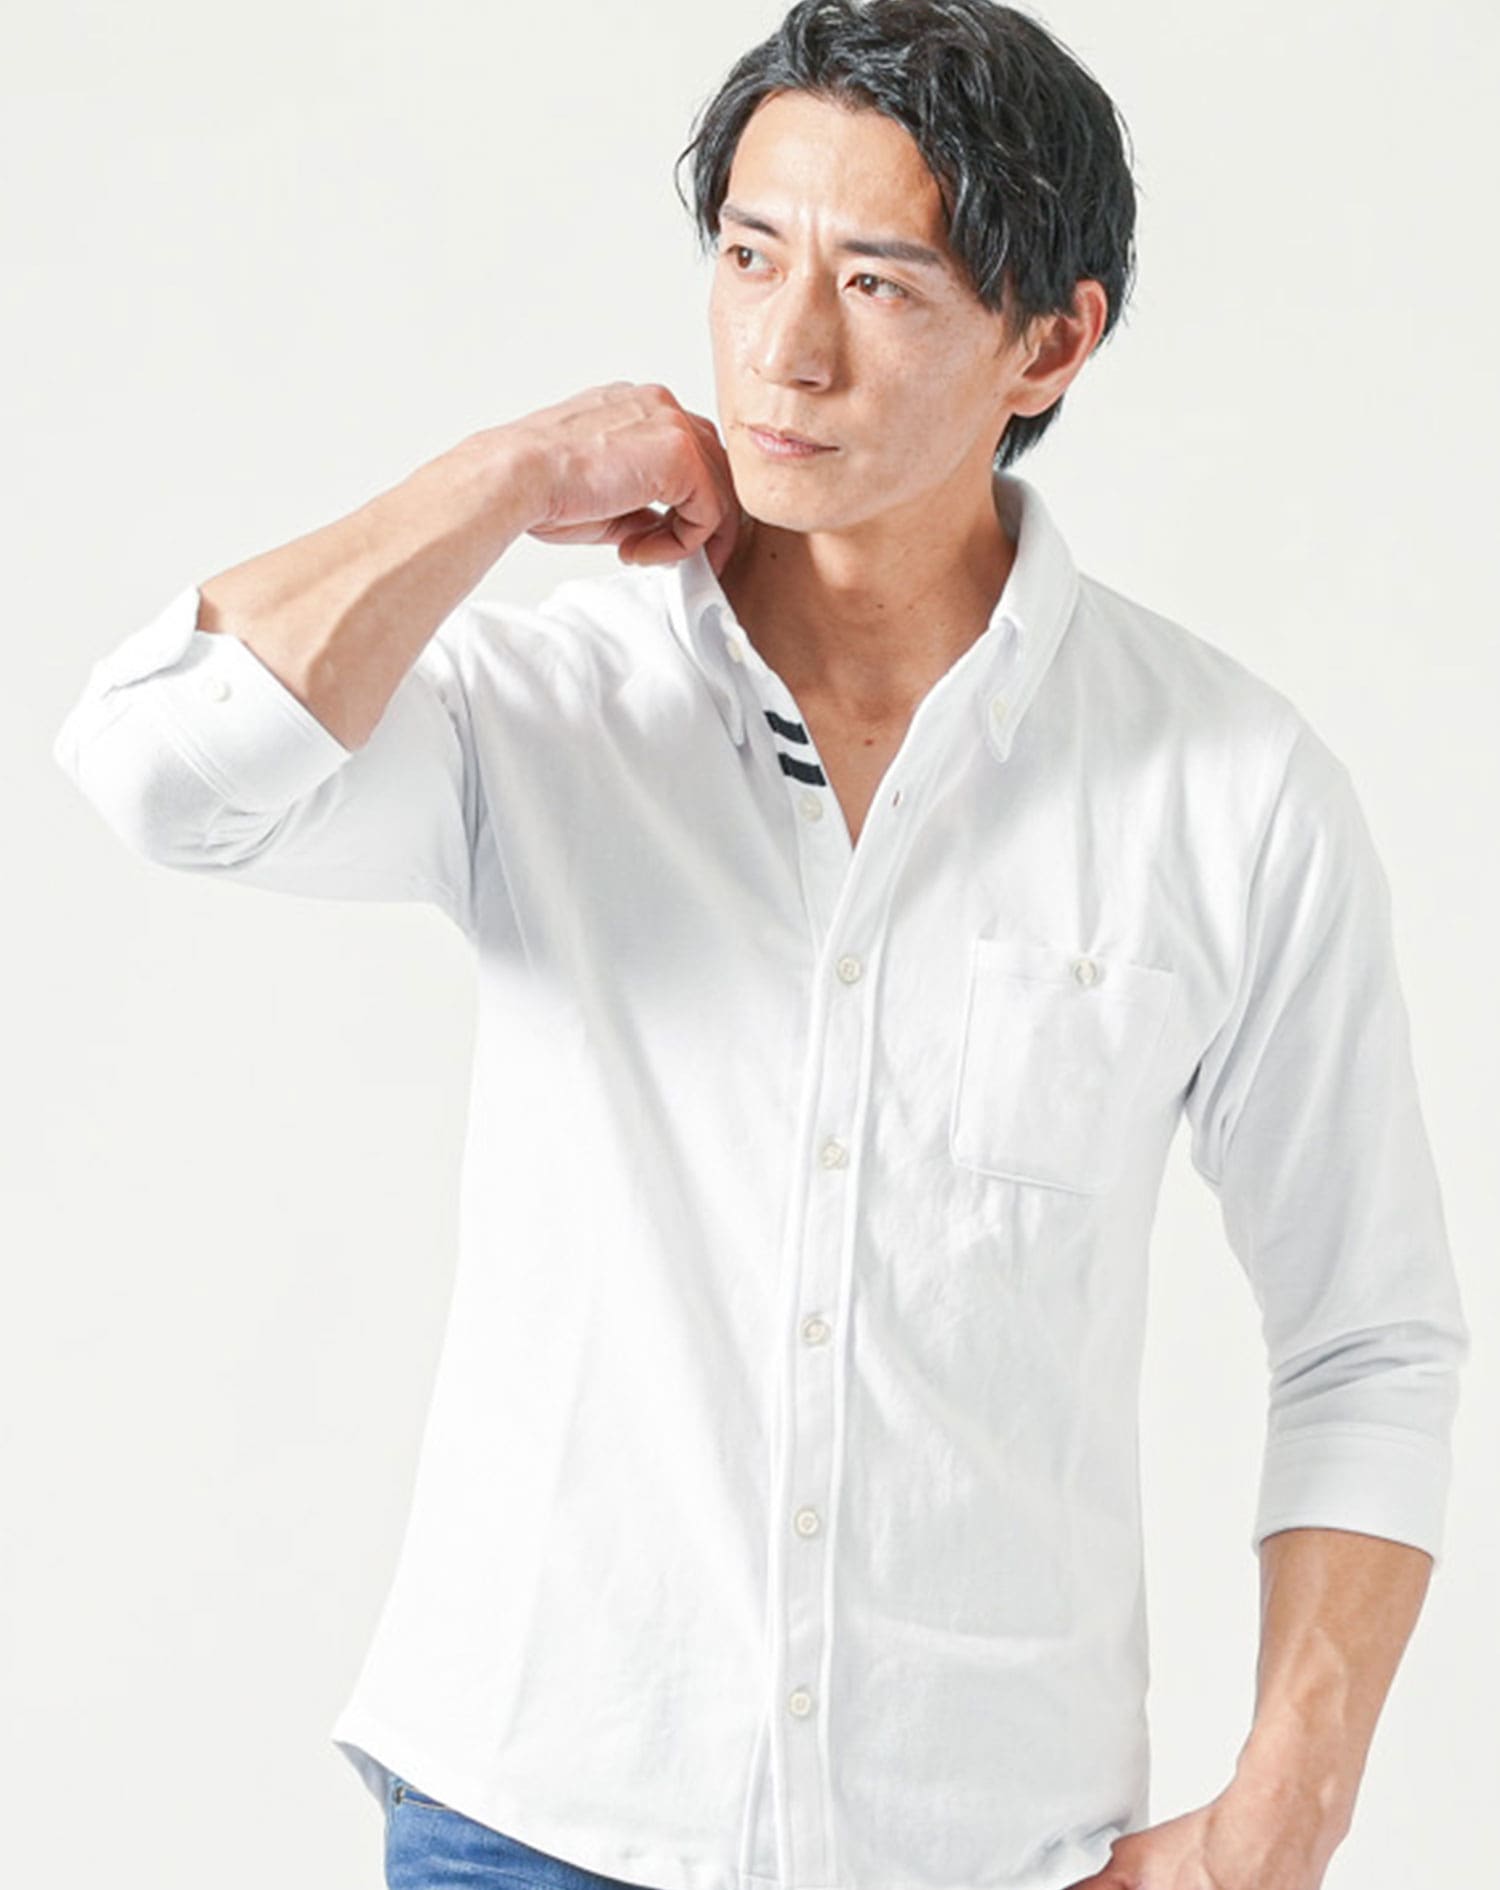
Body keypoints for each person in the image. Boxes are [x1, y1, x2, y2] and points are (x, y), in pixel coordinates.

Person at [53, 4, 1470, 1890]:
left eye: (878, 281)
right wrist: (504, 475)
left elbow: (1369, 1331)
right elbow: (159, 772)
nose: (786, 349)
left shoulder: (1226, 787)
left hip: (985, 1844)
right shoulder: (543, 712)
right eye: (747, 254)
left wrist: (1285, 1817)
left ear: (1052, 340)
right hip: (535, 1818)